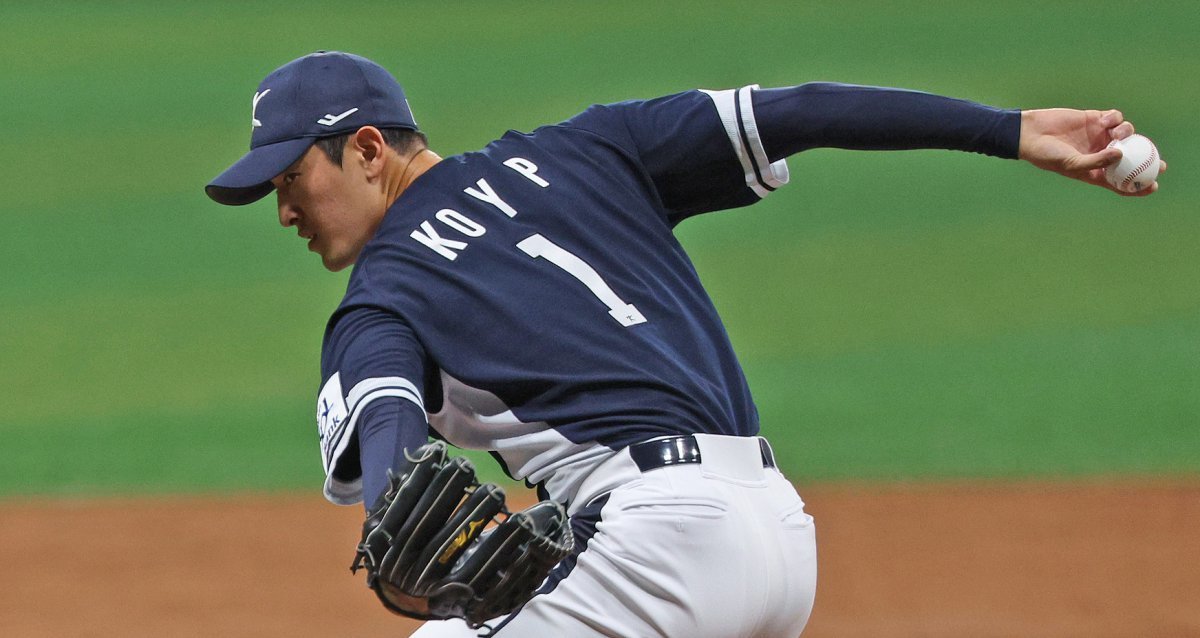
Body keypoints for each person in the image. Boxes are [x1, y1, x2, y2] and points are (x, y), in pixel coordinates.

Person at [205, 51, 1163, 637]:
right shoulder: (588, 147)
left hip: (656, 552)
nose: (283, 209)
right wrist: (1011, 130)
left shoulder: (382, 296)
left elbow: (387, 441)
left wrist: (395, 518)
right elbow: (804, 109)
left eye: (291, 178)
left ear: (369, 149)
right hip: (780, 539)